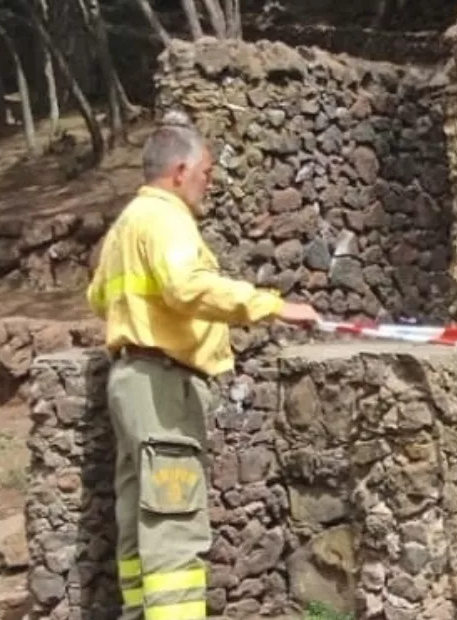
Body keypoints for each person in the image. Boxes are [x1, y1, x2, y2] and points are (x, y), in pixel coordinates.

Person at [86, 111, 320, 620]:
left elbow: (98, 296)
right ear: (178, 171)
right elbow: (186, 286)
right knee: (174, 528)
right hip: (161, 387)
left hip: (129, 383)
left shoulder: (126, 224)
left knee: (139, 520)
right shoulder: (167, 219)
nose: (208, 185)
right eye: (206, 174)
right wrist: (271, 306)